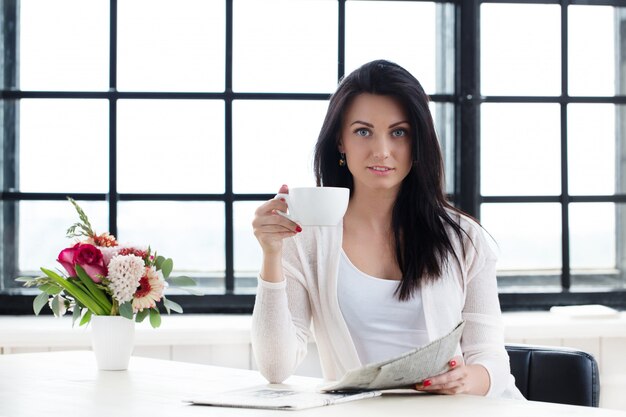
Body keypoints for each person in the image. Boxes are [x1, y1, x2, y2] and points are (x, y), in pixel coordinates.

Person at [251, 59, 524, 399]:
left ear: (417, 141)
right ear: (340, 141)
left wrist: (469, 379)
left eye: (399, 132)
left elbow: (491, 359)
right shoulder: (306, 237)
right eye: (363, 131)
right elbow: (276, 368)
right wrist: (271, 254)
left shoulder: (463, 238)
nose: (382, 151)